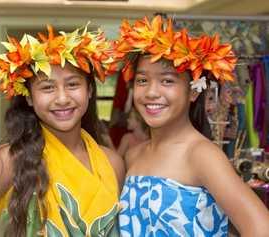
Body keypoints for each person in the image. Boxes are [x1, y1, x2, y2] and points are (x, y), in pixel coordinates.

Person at [0, 25, 124, 236]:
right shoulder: (8, 160)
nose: (62, 98)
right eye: (47, 87)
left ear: (89, 90)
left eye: (72, 84)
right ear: (28, 97)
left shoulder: (112, 162)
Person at [111, 16, 269, 236]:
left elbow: (261, 228)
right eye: (142, 80)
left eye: (167, 80)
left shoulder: (202, 155)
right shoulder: (133, 155)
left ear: (193, 91)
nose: (151, 92)